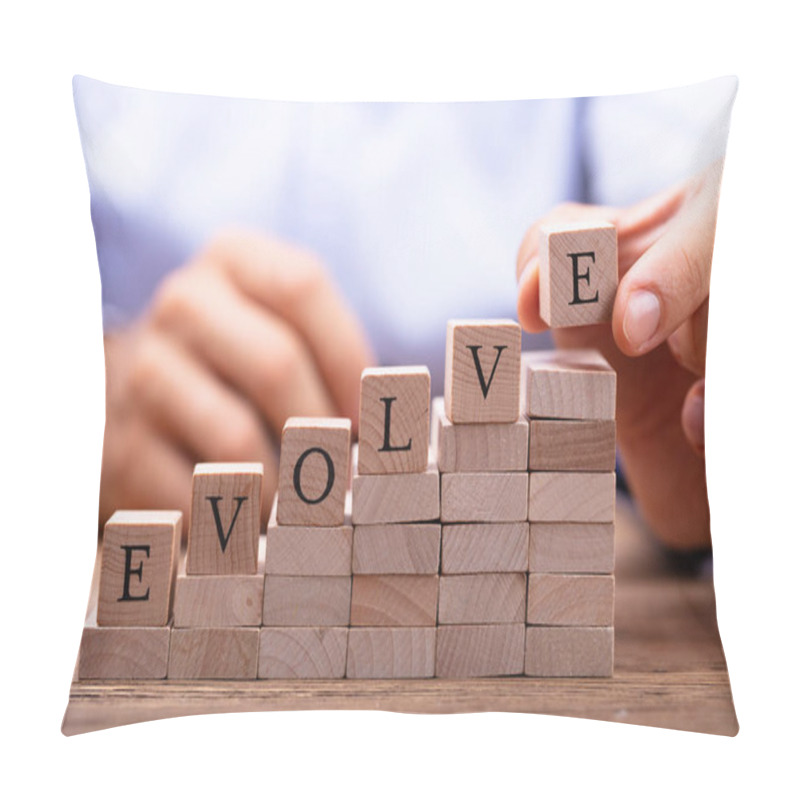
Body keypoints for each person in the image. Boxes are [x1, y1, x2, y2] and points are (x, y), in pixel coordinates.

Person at [73, 75, 737, 549]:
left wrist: (703, 300)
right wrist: (71, 400)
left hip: (562, 528)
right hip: (178, 533)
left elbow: (688, 170)